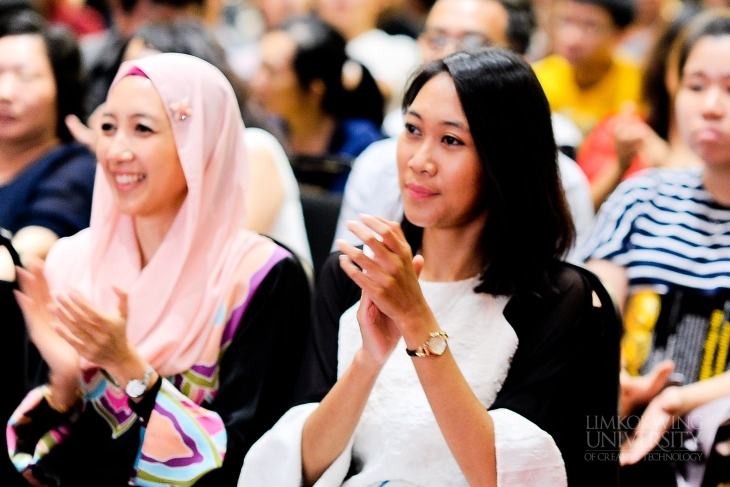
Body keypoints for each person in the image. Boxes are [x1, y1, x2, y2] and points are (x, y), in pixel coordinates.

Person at [239, 47, 620, 486]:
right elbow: (298, 470)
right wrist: (367, 361)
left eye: (451, 140)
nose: (419, 160)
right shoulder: (352, 273)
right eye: (413, 130)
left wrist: (417, 321)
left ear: (506, 158)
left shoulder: (558, 299)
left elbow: (510, 475)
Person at [8, 52, 312, 485]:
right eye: (109, 127)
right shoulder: (72, 261)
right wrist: (65, 384)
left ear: (201, 144)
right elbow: (37, 470)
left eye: (143, 129)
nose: (117, 150)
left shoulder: (260, 276)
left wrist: (130, 368)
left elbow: (253, 462)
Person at [583, 10, 730, 486]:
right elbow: (593, 315)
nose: (710, 106)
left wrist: (680, 399)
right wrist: (613, 379)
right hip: (624, 426)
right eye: (695, 85)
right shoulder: (641, 197)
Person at [332, 0, 595, 263]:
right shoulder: (378, 162)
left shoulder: (561, 181)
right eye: (436, 39)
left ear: (519, 63)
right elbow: (348, 272)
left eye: (471, 44)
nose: (446, 56)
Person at [124, 19, 313, 266]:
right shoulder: (127, 154)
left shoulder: (254, 150)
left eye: (150, 74)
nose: (131, 85)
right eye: (127, 70)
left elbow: (220, 267)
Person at [576, 4, 703, 211]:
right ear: (671, 71)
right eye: (698, 83)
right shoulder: (623, 130)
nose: (712, 102)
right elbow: (576, 216)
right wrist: (620, 165)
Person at [0, 10, 95, 278]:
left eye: (25, 76)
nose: (5, 92)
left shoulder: (76, 167)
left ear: (61, 87)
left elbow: (30, 249)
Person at [251, 14, 385, 177]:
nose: (257, 82)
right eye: (260, 67)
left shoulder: (364, 149)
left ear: (315, 90)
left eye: (271, 72)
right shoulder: (263, 137)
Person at [533, 0, 641, 136]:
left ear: (622, 34)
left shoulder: (641, 85)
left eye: (591, 25)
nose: (572, 38)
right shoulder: (538, 77)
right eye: (566, 21)